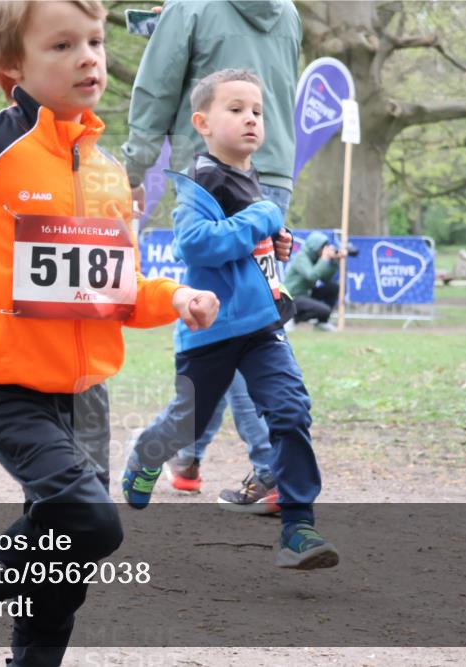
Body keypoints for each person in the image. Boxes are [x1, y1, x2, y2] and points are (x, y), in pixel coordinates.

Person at [0, 2, 219, 665]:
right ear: (13, 67)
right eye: (62, 45)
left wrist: (176, 295)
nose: (89, 56)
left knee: (66, 565)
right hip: (3, 386)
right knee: (90, 522)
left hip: (85, 394)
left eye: (93, 40)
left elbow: (115, 293)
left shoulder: (105, 174)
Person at [121, 69, 339, 570]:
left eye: (257, 112)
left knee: (290, 412)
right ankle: (148, 454)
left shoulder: (248, 175)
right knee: (187, 423)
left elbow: (247, 243)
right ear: (201, 122)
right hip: (210, 331)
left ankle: (298, 527)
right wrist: (261, 219)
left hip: (263, 328)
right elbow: (195, 245)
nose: (251, 120)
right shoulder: (202, 180)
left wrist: (276, 241)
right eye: (236, 109)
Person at [120, 0, 301, 503]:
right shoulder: (287, 12)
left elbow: (156, 88)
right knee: (244, 318)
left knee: (233, 321)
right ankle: (191, 456)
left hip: (210, 173)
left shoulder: (191, 7)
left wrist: (132, 169)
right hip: (272, 173)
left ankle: (265, 468)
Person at [283, 231, 348, 332]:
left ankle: (322, 322)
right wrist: (324, 259)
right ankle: (291, 319)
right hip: (292, 298)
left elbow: (325, 278)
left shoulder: (316, 258)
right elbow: (312, 276)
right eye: (323, 247)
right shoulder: (301, 257)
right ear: (315, 247)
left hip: (306, 294)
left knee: (333, 288)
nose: (325, 250)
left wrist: (334, 262)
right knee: (325, 310)